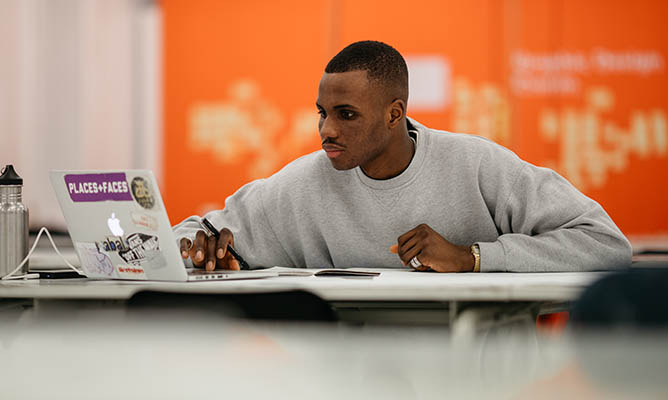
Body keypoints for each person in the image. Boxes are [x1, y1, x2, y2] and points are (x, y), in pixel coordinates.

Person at [174, 40, 632, 273]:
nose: (326, 130)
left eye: (346, 114)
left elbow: (606, 245)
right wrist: (195, 246)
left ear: (395, 114)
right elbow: (203, 230)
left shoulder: (477, 165)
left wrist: (473, 258)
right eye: (323, 113)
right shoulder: (307, 180)